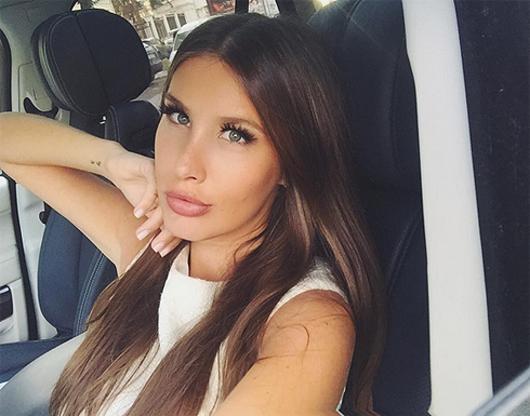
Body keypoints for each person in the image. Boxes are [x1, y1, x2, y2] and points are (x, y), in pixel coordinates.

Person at [0, 12, 385, 416]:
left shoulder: (309, 321)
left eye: (235, 134)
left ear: (291, 163)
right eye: (178, 116)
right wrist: (111, 159)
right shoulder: (151, 245)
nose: (185, 164)